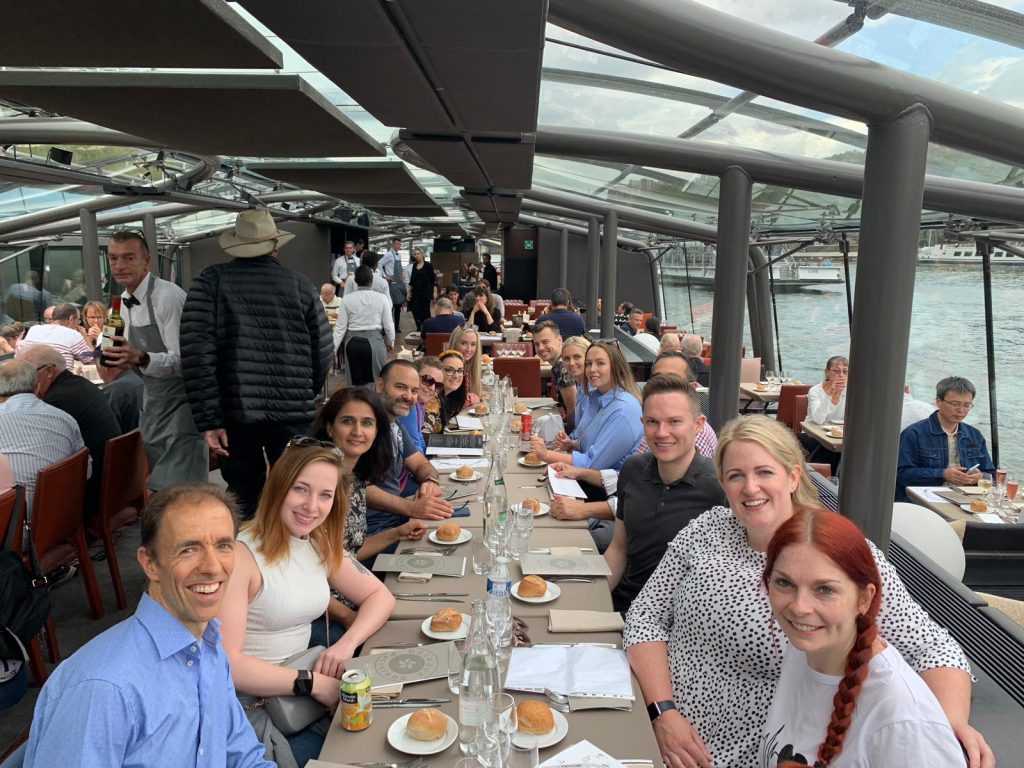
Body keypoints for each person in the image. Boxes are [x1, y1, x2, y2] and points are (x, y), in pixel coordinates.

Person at [624, 415, 989, 768]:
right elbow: (645, 616)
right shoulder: (708, 529)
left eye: (764, 472)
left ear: (793, 476)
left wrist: (947, 727)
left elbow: (931, 647)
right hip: (652, 727)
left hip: (743, 756)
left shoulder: (830, 554)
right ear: (723, 482)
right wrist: (663, 711)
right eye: (737, 476)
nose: (750, 488)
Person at [22, 484, 275, 768]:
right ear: (150, 563)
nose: (214, 567)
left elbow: (243, 756)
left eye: (223, 545)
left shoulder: (210, 647)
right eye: (189, 549)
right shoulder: (104, 689)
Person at [219, 443, 395, 766]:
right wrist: (310, 683)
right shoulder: (242, 557)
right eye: (301, 490)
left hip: (304, 693)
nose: (312, 506)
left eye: (325, 495)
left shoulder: (314, 541)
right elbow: (229, 665)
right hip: (254, 708)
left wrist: (345, 645)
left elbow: (381, 597)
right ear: (278, 488)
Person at [761, 508, 966, 768]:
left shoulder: (903, 722)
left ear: (865, 598)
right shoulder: (804, 649)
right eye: (784, 583)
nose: (800, 607)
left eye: (825, 589)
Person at [181, 208, 333, 519]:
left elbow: (198, 355)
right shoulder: (300, 285)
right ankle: (291, 560)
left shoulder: (210, 283)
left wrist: (210, 419)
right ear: (276, 245)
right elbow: (323, 351)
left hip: (236, 413)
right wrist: (305, 392)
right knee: (297, 490)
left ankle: (244, 560)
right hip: (292, 411)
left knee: (242, 494)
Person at [548, 354, 717, 550]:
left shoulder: (695, 441)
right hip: (622, 519)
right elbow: (633, 481)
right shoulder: (643, 435)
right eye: (658, 380)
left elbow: (656, 505)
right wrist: (579, 472)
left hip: (642, 535)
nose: (664, 388)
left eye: (674, 381)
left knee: (568, 541)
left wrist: (584, 509)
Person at [604, 374, 726, 613]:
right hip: (625, 606)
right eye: (652, 422)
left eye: (674, 422)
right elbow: (619, 549)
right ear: (642, 423)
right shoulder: (633, 469)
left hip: (682, 620)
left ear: (698, 424)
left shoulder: (719, 487)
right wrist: (593, 606)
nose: (661, 433)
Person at [104, 230, 209, 490]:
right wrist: (109, 359)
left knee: (182, 492)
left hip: (182, 407)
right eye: (113, 258)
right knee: (164, 491)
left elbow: (187, 361)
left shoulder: (168, 297)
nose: (119, 266)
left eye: (128, 258)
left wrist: (141, 357)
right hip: (152, 407)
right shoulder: (118, 305)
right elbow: (109, 363)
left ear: (147, 261)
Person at [311, 388, 427, 564]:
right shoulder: (318, 478)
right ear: (330, 427)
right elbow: (325, 563)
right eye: (347, 421)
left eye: (367, 423)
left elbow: (349, 552)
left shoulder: (355, 478)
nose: (357, 431)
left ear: (376, 431)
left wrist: (397, 533)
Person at [18, 344, 120, 521]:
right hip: (109, 486)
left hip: (86, 499)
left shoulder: (57, 401)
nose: (22, 381)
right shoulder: (78, 385)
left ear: (49, 371)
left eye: (27, 374)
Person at [364, 360, 454, 537]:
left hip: (397, 522)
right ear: (380, 385)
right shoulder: (364, 428)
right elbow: (358, 487)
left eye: (414, 391)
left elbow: (420, 462)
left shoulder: (394, 424)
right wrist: (411, 508)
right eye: (400, 387)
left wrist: (429, 481)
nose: (408, 396)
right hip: (372, 532)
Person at [529, 340, 644, 475]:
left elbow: (592, 464)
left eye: (600, 363)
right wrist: (572, 444)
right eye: (589, 364)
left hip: (607, 488)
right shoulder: (596, 396)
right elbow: (589, 442)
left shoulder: (624, 409)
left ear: (616, 367)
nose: (592, 369)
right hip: (583, 474)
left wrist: (546, 455)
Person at [0, 360, 85, 517]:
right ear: (38, 387)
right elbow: (86, 471)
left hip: (13, 525)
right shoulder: (65, 418)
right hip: (63, 516)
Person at [896, 376, 996, 502]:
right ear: (938, 401)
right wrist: (943, 474)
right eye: (955, 404)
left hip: (966, 499)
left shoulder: (974, 435)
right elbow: (902, 475)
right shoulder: (914, 433)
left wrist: (980, 477)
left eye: (967, 405)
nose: (961, 410)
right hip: (926, 500)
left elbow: (991, 473)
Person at [332, 264, 394, 387]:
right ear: (371, 280)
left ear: (355, 281)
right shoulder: (382, 298)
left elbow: (340, 328)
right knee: (378, 383)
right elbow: (388, 324)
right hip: (374, 342)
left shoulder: (347, 299)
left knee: (354, 384)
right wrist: (390, 341)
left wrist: (333, 350)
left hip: (352, 343)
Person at [18, 303, 93, 369]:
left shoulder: (34, 329)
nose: (78, 324)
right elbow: (90, 360)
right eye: (78, 320)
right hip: (59, 381)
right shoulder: (73, 334)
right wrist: (85, 336)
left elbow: (18, 353)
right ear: (72, 319)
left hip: (31, 379)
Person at [532, 320, 578, 422]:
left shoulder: (562, 366)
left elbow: (573, 410)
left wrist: (566, 433)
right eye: (537, 344)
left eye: (545, 342)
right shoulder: (561, 363)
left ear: (559, 340)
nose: (541, 348)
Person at [396, 355, 443, 452]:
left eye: (438, 385)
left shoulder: (419, 405)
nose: (432, 388)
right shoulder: (408, 406)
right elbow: (414, 449)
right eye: (428, 380)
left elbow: (421, 441)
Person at [96, 363, 144, 433]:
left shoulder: (112, 392)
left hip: (123, 441)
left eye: (96, 366)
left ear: (106, 367)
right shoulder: (138, 380)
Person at [559, 335, 591, 431]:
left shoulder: (593, 390)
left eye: (577, 357)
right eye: (566, 359)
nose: (571, 363)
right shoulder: (581, 387)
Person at [807, 355, 848, 425]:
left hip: (838, 432)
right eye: (836, 371)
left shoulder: (851, 390)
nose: (841, 375)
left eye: (845, 371)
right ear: (826, 372)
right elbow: (818, 420)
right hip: (812, 431)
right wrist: (829, 394)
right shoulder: (815, 391)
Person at [449, 324, 483, 399]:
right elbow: (448, 402)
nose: (469, 349)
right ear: (454, 343)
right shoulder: (447, 370)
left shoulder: (470, 367)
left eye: (473, 344)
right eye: (463, 343)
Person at [406, 247, 436, 330]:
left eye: (418, 254)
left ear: (422, 255)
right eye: (415, 254)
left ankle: (427, 328)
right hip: (415, 293)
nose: (416, 256)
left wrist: (434, 292)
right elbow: (411, 281)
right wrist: (408, 292)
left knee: (425, 312)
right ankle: (419, 327)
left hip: (425, 293)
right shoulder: (414, 266)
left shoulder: (428, 266)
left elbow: (433, 280)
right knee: (415, 311)